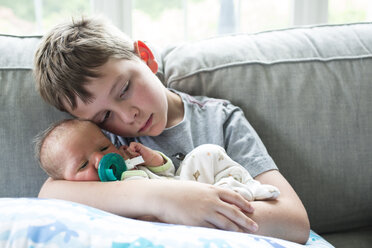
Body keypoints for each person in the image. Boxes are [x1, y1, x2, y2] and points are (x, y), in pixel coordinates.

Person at [33, 16, 310, 243]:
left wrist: (199, 212)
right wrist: (166, 200)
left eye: (125, 89)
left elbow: (294, 221)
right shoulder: (104, 144)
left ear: (145, 57)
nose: (128, 116)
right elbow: (49, 194)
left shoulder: (220, 119)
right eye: (104, 115)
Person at [34, 119, 280, 202]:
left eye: (103, 147)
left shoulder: (128, 161)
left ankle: (246, 187)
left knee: (206, 152)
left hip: (184, 183)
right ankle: (230, 193)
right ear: (66, 181)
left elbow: (169, 171)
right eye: (83, 165)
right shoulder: (92, 197)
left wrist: (151, 159)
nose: (100, 159)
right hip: (170, 205)